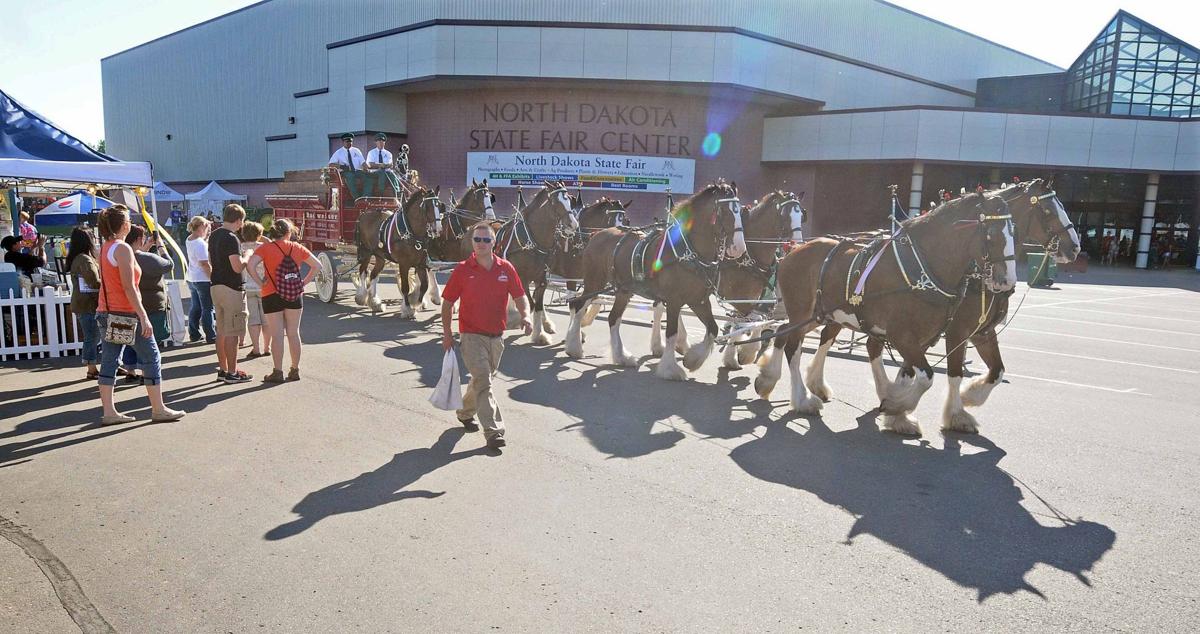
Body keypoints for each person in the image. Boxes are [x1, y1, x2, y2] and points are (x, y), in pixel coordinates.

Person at [440, 223, 533, 450]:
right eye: (477, 240)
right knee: (483, 379)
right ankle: (494, 431)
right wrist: (447, 334)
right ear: (472, 242)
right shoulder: (463, 269)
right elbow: (448, 303)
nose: (481, 244)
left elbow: (520, 295)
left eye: (486, 240)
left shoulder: (505, 268)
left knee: (481, 380)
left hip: (497, 338)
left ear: (494, 243)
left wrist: (526, 316)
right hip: (471, 336)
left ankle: (465, 412)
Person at [95, 205, 185, 425]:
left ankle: (109, 411)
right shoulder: (122, 249)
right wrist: (143, 316)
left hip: (107, 310)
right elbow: (130, 287)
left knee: (110, 361)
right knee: (151, 357)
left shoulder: (105, 247)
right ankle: (158, 408)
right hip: (126, 313)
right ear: (123, 225)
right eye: (128, 220)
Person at [247, 218, 322, 383]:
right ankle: (295, 370)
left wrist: (260, 283)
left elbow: (250, 265)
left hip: (271, 293)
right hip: (294, 292)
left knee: (277, 335)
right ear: (289, 232)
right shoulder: (297, 247)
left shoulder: (265, 248)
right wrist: (303, 283)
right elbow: (317, 265)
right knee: (293, 333)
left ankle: (278, 371)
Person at [118, 225, 175, 385]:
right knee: (148, 343)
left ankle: (130, 371)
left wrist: (146, 247)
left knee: (129, 341)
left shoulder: (121, 256)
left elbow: (137, 255)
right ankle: (146, 373)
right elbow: (169, 264)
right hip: (150, 305)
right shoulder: (148, 259)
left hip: (127, 306)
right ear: (139, 239)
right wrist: (160, 246)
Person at [208, 203, 251, 384]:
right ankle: (232, 372)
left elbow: (210, 261)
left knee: (222, 330)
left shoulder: (214, 235)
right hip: (232, 288)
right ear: (239, 220)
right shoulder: (232, 238)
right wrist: (247, 256)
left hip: (216, 284)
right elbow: (237, 266)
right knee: (233, 331)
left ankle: (223, 369)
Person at [66, 227, 101, 380]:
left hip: (83, 303)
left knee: (92, 336)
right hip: (88, 304)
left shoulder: (79, 258)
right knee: (92, 337)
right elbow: (94, 282)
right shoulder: (85, 259)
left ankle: (91, 366)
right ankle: (91, 369)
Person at [239, 221, 271, 358]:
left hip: (248, 287)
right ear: (259, 234)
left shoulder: (240, 247)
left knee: (253, 319)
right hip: (264, 286)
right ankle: (267, 347)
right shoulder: (264, 247)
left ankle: (256, 348)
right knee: (266, 319)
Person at [185, 216, 216, 343]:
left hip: (191, 277)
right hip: (202, 278)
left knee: (196, 306)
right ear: (202, 226)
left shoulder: (189, 239)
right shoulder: (200, 243)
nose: (208, 230)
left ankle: (194, 333)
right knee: (207, 308)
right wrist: (212, 278)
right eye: (207, 227)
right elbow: (204, 264)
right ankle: (210, 335)